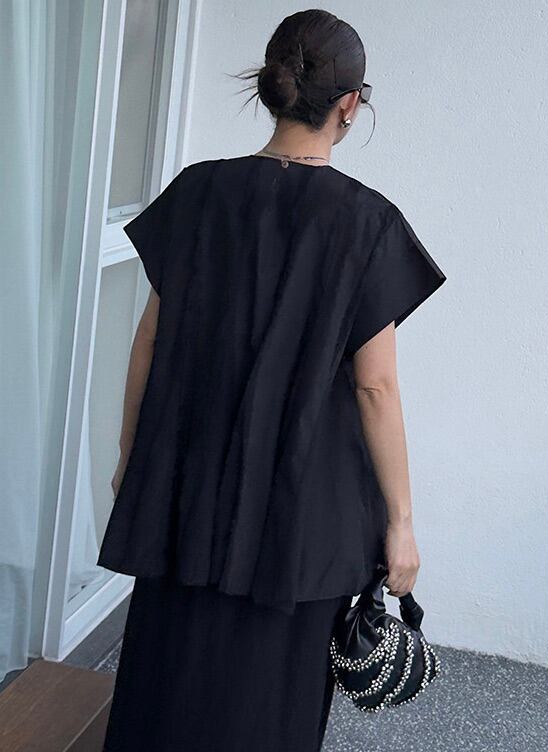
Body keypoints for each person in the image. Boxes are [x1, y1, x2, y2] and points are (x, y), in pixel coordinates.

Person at [97, 9, 447, 752]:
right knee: (270, 706)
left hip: (186, 486)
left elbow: (149, 340)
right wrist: (401, 523)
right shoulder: (365, 223)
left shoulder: (198, 193)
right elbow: (375, 388)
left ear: (271, 86)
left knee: (166, 683)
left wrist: (131, 456)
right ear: (349, 104)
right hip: (300, 511)